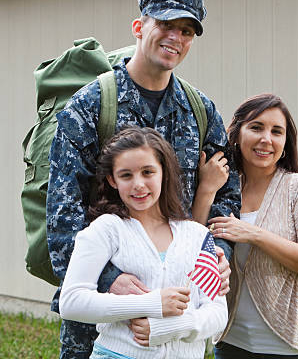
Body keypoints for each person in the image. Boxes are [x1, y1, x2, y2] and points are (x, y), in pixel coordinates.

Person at [47, 0, 241, 358]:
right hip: (102, 309)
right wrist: (110, 280)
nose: (176, 38)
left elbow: (226, 196)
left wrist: (217, 255)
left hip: (177, 307)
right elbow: (62, 215)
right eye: (166, 24)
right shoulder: (90, 106)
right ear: (139, 27)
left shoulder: (201, 111)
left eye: (186, 31)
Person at [59, 126, 229, 359]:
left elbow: (217, 313)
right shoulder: (106, 229)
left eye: (148, 172)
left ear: (164, 173)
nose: (138, 184)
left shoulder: (198, 237)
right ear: (112, 180)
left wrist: (169, 328)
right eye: (126, 175)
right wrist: (151, 303)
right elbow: (71, 301)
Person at [205, 93, 298, 358]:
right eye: (256, 127)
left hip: (293, 346)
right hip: (231, 343)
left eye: (277, 131)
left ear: (285, 143)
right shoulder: (223, 188)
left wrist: (255, 234)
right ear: (237, 134)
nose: (266, 139)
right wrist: (206, 188)